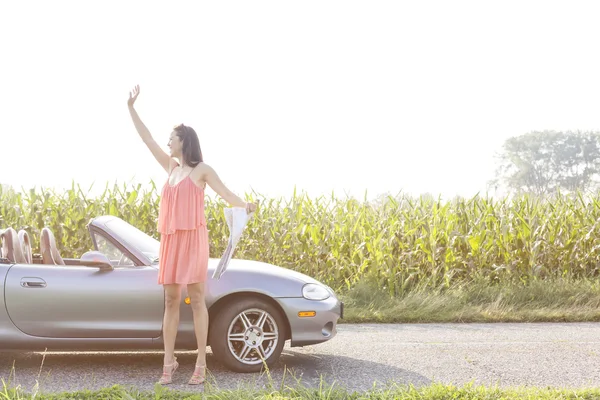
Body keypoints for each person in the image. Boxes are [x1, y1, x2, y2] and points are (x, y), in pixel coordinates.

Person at [127, 85, 257, 385]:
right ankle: (168, 362)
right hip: (171, 239)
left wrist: (245, 205)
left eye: (171, 138)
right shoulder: (170, 168)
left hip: (193, 239)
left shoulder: (202, 170)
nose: (167, 142)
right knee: (172, 300)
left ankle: (201, 362)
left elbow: (227, 194)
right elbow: (146, 139)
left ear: (184, 141)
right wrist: (131, 108)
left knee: (197, 299)